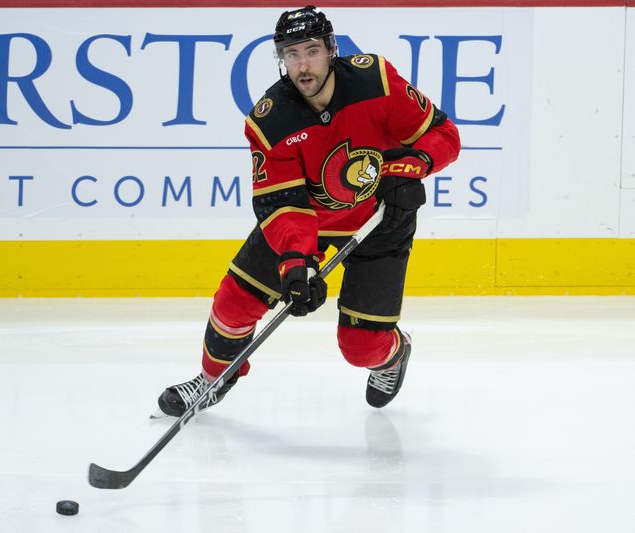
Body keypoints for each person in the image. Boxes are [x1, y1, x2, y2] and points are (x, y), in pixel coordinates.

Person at [157, 5, 460, 416]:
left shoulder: (377, 81)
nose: (303, 65)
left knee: (362, 349)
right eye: (292, 53)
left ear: (331, 49)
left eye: (312, 50)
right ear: (281, 58)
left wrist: (412, 166)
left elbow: (443, 134)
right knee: (233, 304)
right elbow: (283, 204)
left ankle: (394, 354)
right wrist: (296, 265)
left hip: (379, 222)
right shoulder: (270, 120)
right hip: (310, 224)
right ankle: (213, 381)